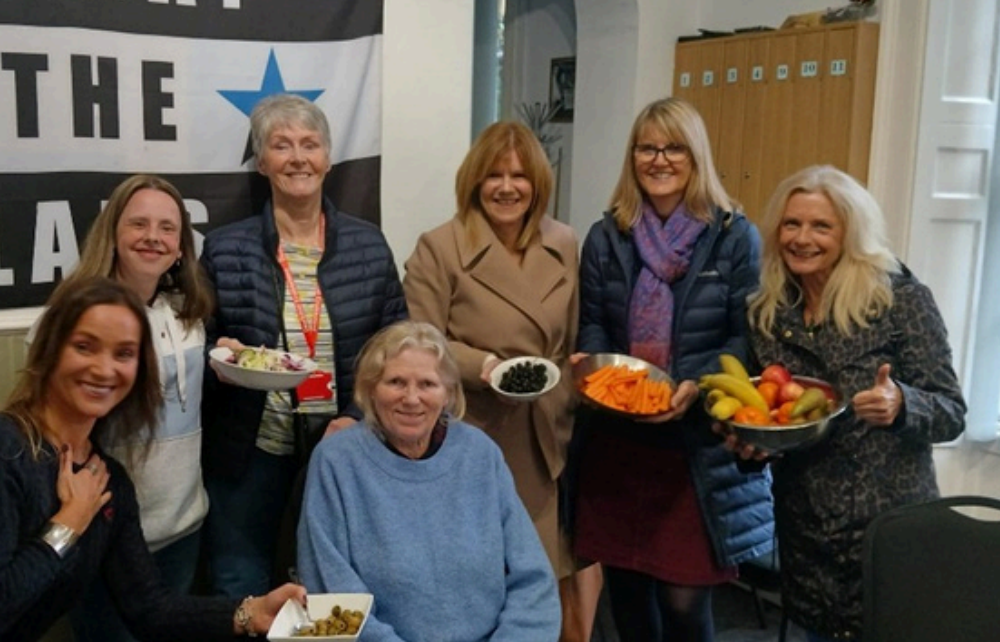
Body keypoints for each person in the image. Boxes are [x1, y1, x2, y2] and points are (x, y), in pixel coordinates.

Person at [731, 165, 966, 641]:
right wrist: (752, 447)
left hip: (888, 533)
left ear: (851, 234)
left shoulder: (900, 300)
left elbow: (951, 412)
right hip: (807, 534)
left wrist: (903, 403)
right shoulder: (767, 312)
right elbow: (772, 414)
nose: (802, 238)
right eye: (792, 224)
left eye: (821, 226)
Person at [0, 277, 305, 642]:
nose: (104, 369)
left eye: (124, 354)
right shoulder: (8, 450)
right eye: (84, 346)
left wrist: (252, 611)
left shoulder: (106, 481)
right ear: (50, 349)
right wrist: (68, 523)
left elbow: (151, 609)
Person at [573, 97, 774, 642]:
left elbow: (745, 339)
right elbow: (593, 325)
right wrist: (595, 371)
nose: (659, 159)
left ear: (696, 156)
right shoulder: (606, 235)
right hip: (618, 440)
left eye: (674, 148)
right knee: (628, 601)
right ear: (632, 157)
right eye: (647, 148)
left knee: (684, 605)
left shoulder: (733, 236)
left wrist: (694, 383)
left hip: (696, 449)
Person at [199, 93, 407, 598]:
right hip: (250, 450)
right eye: (281, 145)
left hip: (342, 444)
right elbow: (200, 338)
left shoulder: (368, 243)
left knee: (333, 579)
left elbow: (394, 344)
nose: (298, 158)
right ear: (261, 162)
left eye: (310, 144)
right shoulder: (225, 247)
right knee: (238, 580)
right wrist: (219, 355)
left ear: (328, 159)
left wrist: (355, 416)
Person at [403, 120, 600, 640]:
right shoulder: (440, 247)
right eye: (494, 175)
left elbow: (570, 336)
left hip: (551, 433)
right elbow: (420, 343)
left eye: (519, 175)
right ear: (474, 181)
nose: (507, 187)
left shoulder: (565, 242)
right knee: (481, 585)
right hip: (478, 431)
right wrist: (483, 366)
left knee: (544, 587)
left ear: (538, 182)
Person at [297, 320, 561, 641]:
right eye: (396, 382)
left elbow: (534, 582)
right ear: (370, 389)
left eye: (427, 384)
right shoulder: (336, 461)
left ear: (448, 393)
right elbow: (331, 592)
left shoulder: (481, 454)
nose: (411, 398)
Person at [44, 175, 215, 642]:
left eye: (167, 227)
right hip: (105, 531)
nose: (152, 237)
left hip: (183, 524)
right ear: (113, 233)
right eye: (138, 224)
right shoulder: (73, 314)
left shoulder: (190, 314)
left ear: (181, 247)